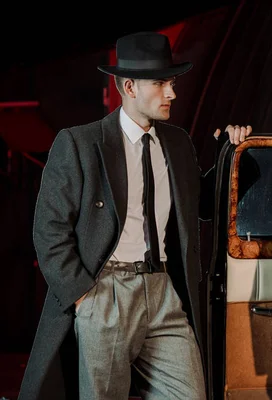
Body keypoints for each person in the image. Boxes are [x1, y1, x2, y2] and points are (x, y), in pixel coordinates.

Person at [18, 31, 251, 400]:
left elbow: (203, 205)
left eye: (172, 83)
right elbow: (49, 230)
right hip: (105, 292)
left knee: (190, 395)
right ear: (129, 86)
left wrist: (232, 154)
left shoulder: (176, 142)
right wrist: (84, 297)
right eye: (160, 84)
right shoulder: (79, 143)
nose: (172, 93)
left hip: (163, 293)